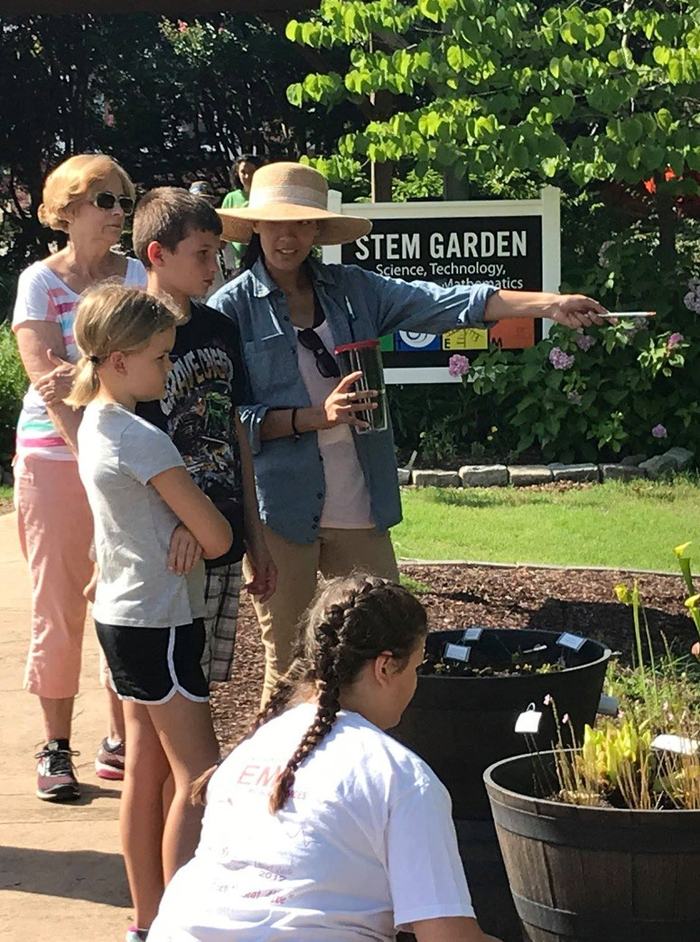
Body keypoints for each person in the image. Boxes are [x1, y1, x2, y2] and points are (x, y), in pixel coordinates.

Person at [209, 161, 608, 705]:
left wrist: (550, 304)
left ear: (318, 231)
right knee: (292, 664)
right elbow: (230, 422)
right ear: (255, 227)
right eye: (276, 223)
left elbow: (446, 301)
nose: (288, 235)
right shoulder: (228, 310)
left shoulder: (353, 291)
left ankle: (375, 774)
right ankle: (278, 782)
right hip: (282, 510)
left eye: (302, 223)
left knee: (388, 644)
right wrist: (313, 417)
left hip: (360, 501)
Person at [148, 574, 501, 942]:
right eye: (415, 667)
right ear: (384, 668)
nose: (416, 681)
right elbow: (446, 937)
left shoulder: (250, 749)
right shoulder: (403, 778)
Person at [67, 284, 233, 942]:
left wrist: (181, 524)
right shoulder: (142, 438)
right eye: (161, 359)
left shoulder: (96, 425)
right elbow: (219, 537)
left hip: (124, 616)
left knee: (146, 769)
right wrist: (196, 525)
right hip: (160, 620)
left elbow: (160, 518)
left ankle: (148, 923)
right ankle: (185, 928)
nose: (169, 371)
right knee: (201, 774)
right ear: (116, 361)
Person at [11, 153, 146, 801]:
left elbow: (148, 367)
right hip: (55, 458)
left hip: (126, 454)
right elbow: (49, 379)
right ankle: (56, 746)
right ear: (67, 209)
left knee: (123, 594)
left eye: (123, 202)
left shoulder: (139, 276)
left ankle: (120, 738)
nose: (118, 214)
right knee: (61, 604)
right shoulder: (40, 281)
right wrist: (94, 454)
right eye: (104, 201)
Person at [132, 186, 276, 686]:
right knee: (162, 684)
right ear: (158, 253)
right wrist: (174, 523)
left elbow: (236, 432)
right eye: (201, 254)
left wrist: (255, 539)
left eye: (217, 252)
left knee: (203, 685)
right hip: (168, 544)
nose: (214, 265)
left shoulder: (220, 327)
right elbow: (127, 447)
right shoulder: (129, 338)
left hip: (224, 531)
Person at [219, 153, 265, 274]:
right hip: (239, 260)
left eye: (252, 172)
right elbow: (222, 230)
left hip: (264, 255)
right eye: (243, 172)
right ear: (237, 174)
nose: (247, 176)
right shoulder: (231, 198)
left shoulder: (266, 196)